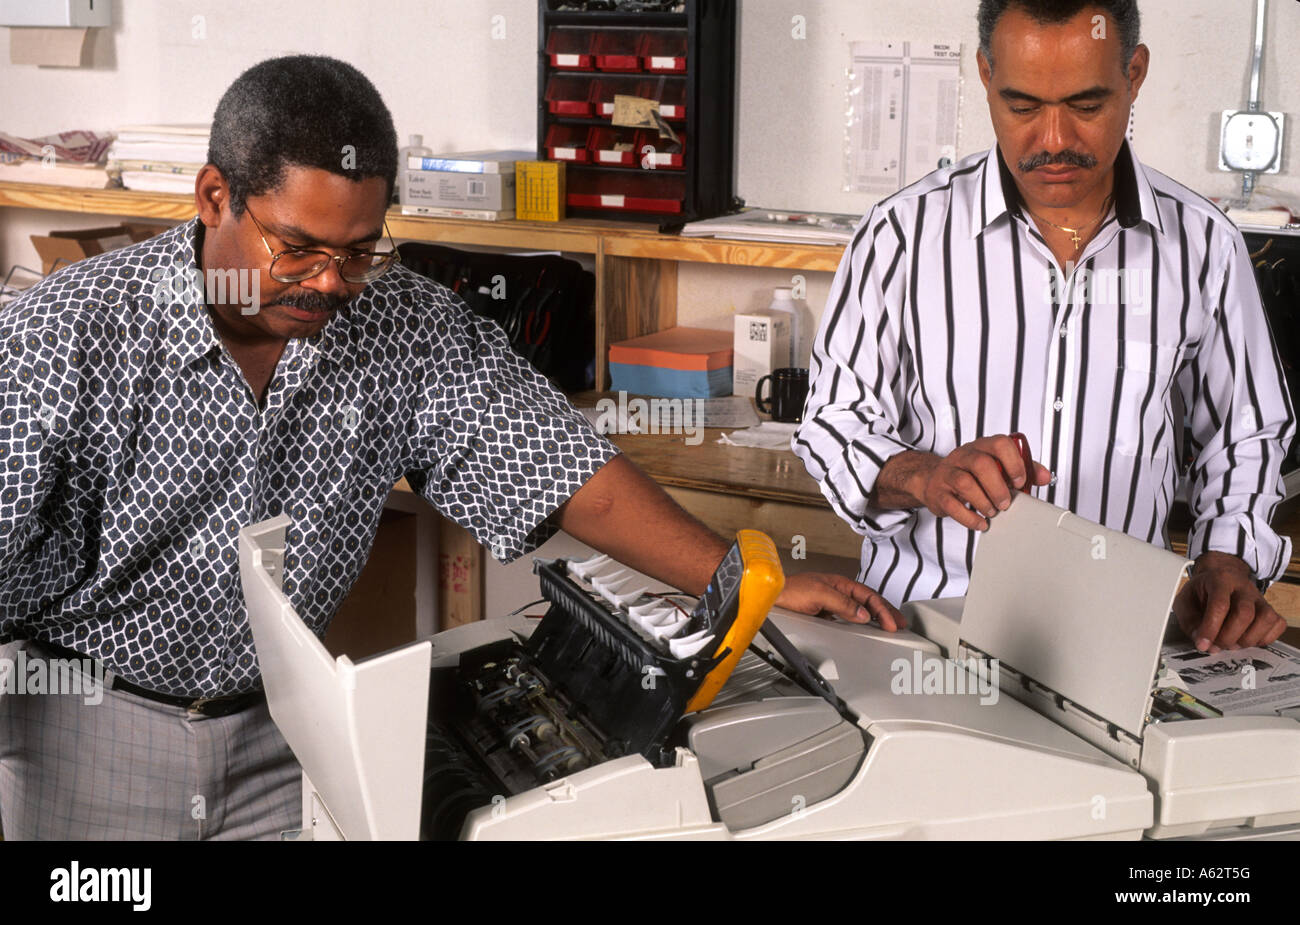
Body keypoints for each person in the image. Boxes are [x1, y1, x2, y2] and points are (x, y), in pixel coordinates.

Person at [0, 55, 901, 841]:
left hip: (288, 729)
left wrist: (735, 581)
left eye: (359, 251)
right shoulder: (67, 334)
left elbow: (559, 464)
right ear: (213, 197)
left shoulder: (404, 324)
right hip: (90, 731)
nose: (329, 284)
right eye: (298, 249)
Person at [794, 0, 1294, 655]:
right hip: (920, 636)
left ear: (1134, 74)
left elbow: (1245, 430)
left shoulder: (1204, 244)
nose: (1054, 139)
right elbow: (832, 421)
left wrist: (1227, 556)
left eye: (1086, 105)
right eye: (1023, 105)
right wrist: (923, 475)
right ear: (985, 75)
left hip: (1117, 645)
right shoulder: (902, 235)